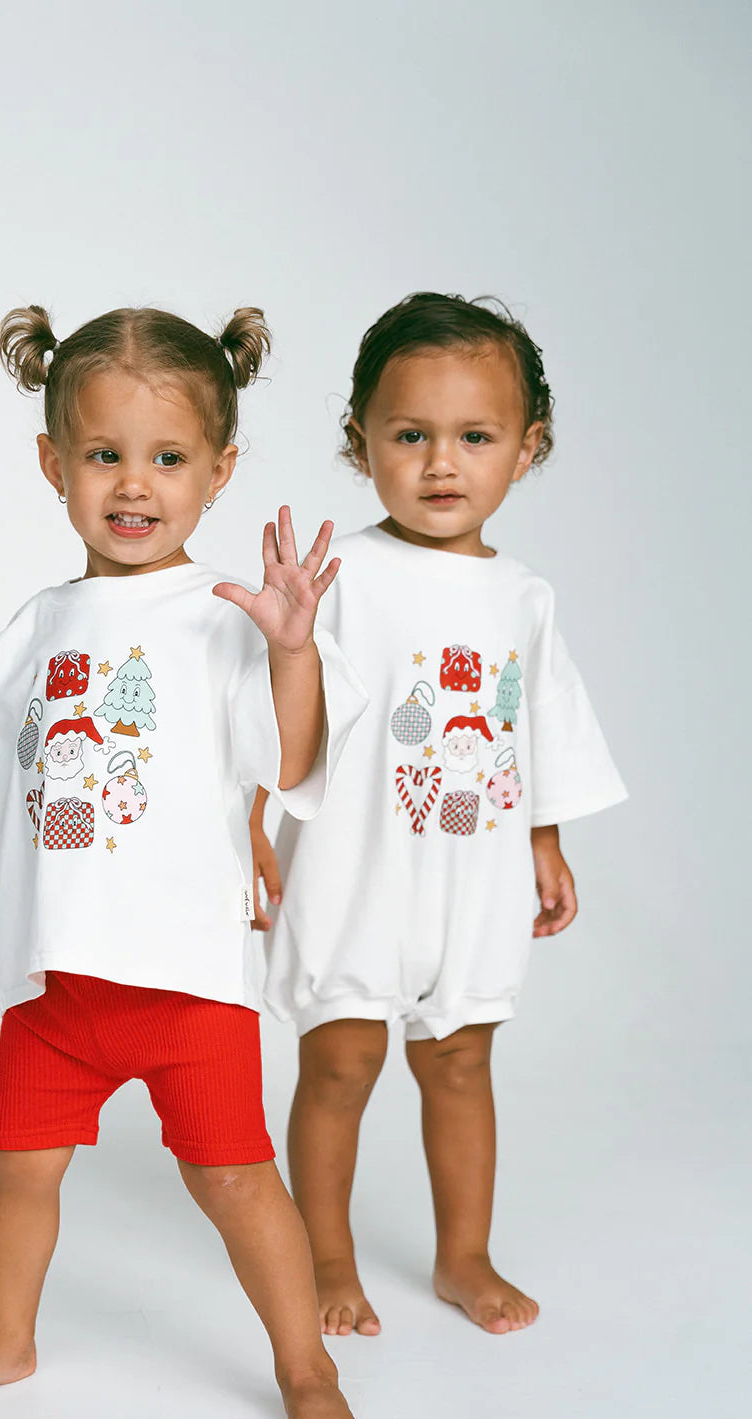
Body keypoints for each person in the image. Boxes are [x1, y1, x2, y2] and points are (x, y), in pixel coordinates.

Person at [0, 301, 367, 1419]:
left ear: (219, 469)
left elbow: (288, 761)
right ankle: (7, 1336)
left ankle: (304, 1363)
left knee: (236, 1184)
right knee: (16, 1169)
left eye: (168, 458)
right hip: (57, 982)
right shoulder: (34, 625)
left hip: (184, 979)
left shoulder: (226, 621)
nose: (133, 485)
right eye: (103, 455)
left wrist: (292, 650)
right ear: (53, 462)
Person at [252, 293, 626, 1338]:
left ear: (526, 446)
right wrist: (246, 828)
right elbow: (272, 717)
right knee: (341, 1060)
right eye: (408, 435)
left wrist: (545, 841)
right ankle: (325, 1250)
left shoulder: (522, 596)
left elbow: (534, 728)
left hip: (471, 870)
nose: (438, 464)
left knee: (459, 1057)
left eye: (473, 437)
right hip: (354, 866)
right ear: (359, 439)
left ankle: (463, 1254)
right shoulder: (340, 578)